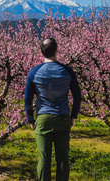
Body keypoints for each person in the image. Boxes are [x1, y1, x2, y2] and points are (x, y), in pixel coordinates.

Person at [24, 37, 81, 181]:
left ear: (41, 51)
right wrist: (73, 116)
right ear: (57, 49)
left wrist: (30, 118)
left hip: (43, 119)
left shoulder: (34, 72)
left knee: (44, 159)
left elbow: (27, 98)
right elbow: (77, 95)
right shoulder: (67, 71)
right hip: (62, 117)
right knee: (62, 159)